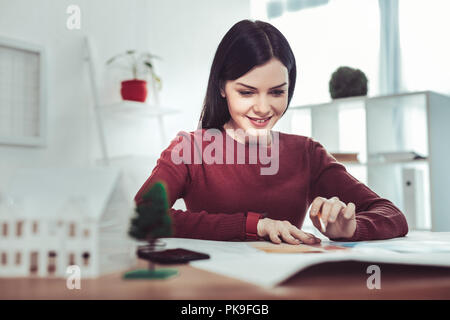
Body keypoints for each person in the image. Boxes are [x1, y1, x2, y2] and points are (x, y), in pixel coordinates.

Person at [135, 19, 408, 244]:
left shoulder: (306, 153)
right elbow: (143, 213)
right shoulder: (191, 149)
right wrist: (256, 225)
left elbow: (392, 215)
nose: (263, 108)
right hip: (215, 288)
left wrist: (352, 228)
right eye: (246, 92)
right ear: (222, 88)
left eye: (277, 92)